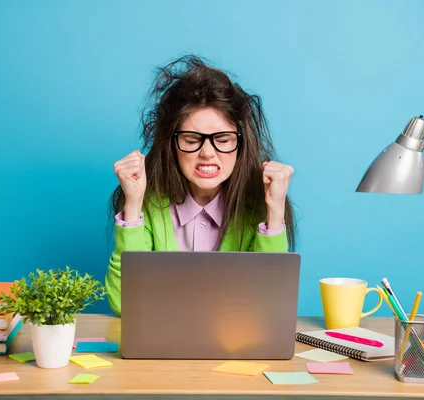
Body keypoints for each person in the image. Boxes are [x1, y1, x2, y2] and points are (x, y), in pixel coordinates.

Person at [105, 55, 296, 315]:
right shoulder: (146, 205)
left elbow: (271, 306)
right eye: (192, 139)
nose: (207, 153)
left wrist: (275, 211)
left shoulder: (258, 206)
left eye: (223, 139)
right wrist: (133, 204)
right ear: (172, 144)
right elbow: (123, 304)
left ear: (240, 145)